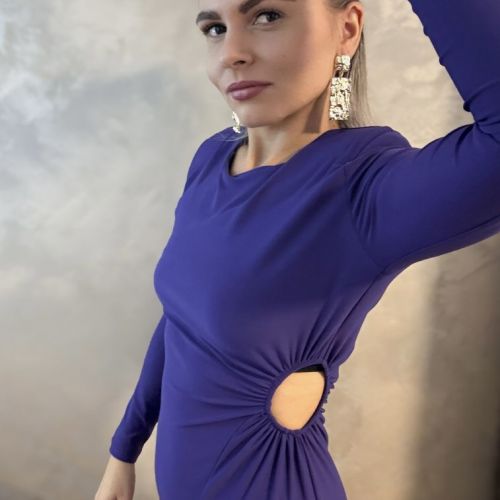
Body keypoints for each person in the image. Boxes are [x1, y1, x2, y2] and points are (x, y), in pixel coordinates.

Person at [95, 0, 500, 498]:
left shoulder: (362, 190)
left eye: (267, 16)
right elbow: (180, 320)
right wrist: (124, 451)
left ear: (347, 28)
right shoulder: (211, 159)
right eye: (215, 28)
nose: (232, 52)